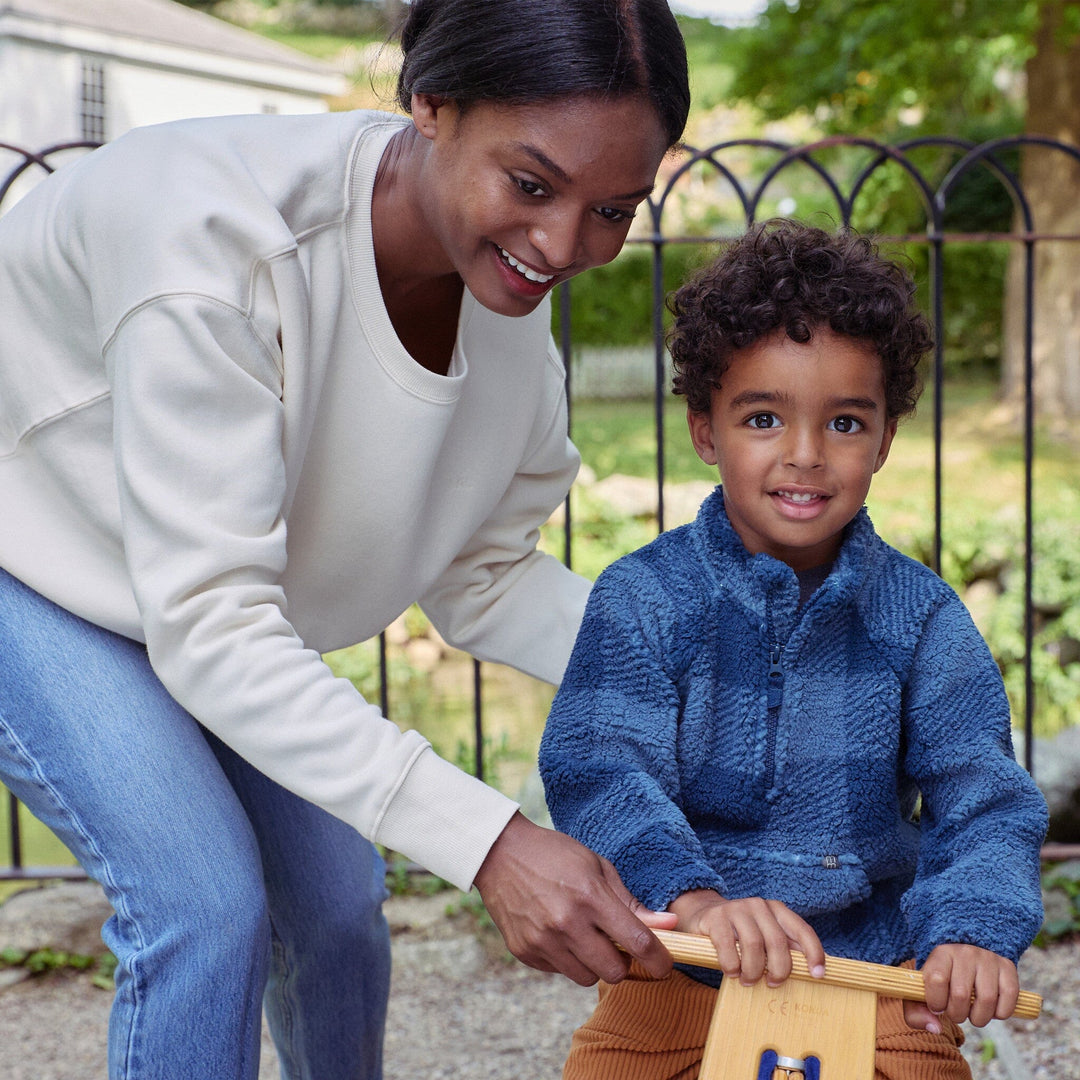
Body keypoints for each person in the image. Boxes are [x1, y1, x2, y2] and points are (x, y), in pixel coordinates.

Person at [0, 1, 691, 1076]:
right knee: (203, 907)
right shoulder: (211, 241)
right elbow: (215, 630)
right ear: (432, 103)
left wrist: (697, 674)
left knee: (335, 906)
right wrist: (498, 845)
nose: (564, 246)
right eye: (533, 184)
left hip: (177, 586)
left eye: (612, 209)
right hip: (26, 550)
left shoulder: (504, 296)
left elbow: (485, 571)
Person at [539, 220, 1049, 1080]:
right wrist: (695, 901)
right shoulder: (644, 598)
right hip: (682, 972)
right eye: (764, 418)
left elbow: (985, 799)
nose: (806, 456)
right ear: (706, 432)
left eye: (845, 422)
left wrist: (967, 933)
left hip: (869, 971)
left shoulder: (920, 618)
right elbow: (600, 771)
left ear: (885, 439)